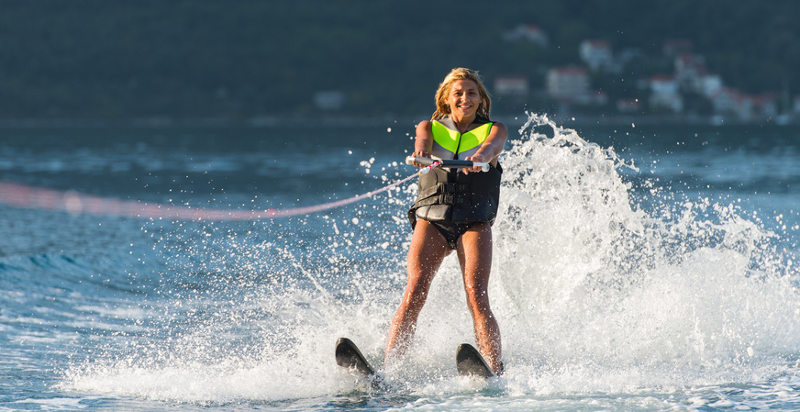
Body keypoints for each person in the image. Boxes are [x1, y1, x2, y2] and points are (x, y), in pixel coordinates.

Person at [385, 67, 507, 374]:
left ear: (481, 99)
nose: (465, 98)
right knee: (415, 290)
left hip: (474, 221)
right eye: (459, 93)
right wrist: (421, 155)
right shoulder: (429, 126)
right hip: (433, 219)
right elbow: (422, 144)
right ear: (446, 99)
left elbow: (492, 147)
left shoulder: (495, 129)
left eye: (472, 93)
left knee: (476, 294)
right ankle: (390, 368)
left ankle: (494, 368)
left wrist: (480, 157)